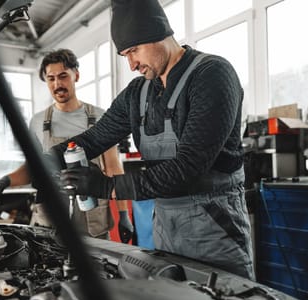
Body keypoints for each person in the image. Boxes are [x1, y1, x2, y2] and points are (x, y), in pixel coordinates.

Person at [55, 0, 254, 278]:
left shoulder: (212, 75)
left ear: (159, 33)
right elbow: (93, 139)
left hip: (215, 234)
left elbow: (188, 166)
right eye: (125, 54)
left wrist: (108, 187)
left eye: (134, 50)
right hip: (166, 233)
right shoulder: (137, 93)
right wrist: (42, 162)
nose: (132, 64)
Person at [0, 49, 134, 241]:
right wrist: (7, 180)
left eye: (63, 76)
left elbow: (113, 167)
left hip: (92, 217)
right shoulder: (38, 121)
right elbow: (34, 168)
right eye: (51, 78)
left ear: (76, 75)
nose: (57, 84)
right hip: (52, 218)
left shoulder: (100, 117)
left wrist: (124, 214)